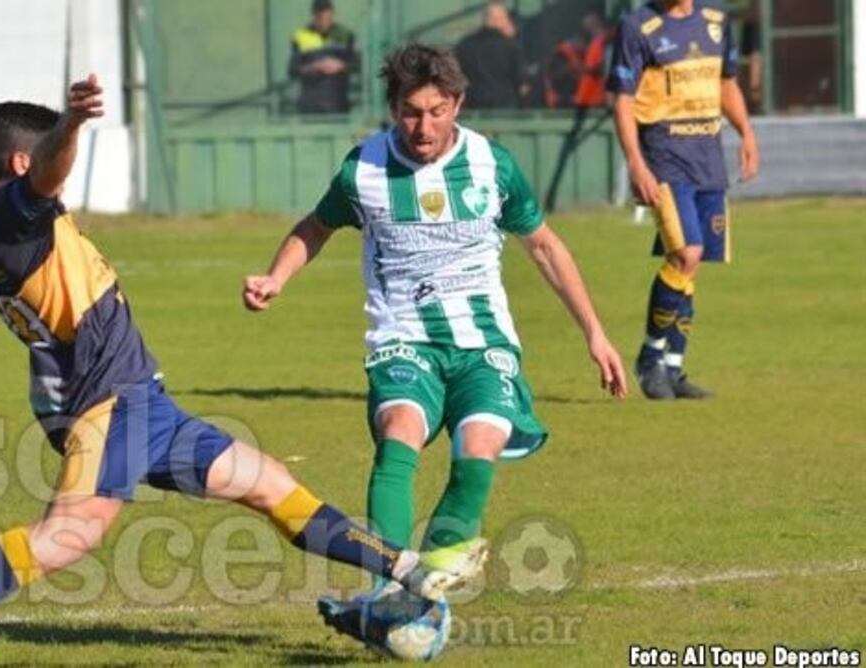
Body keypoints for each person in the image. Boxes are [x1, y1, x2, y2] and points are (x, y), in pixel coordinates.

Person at [0, 46, 475, 667]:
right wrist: (72, 124)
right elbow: (46, 172)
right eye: (39, 167)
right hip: (107, 401)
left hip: (141, 400)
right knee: (68, 536)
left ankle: (407, 571)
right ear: (18, 161)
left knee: (269, 485)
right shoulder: (14, 216)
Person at [244, 43, 626, 645]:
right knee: (400, 432)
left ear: (458, 104)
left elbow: (547, 248)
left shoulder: (492, 166)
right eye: (411, 112)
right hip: (404, 339)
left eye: (437, 110)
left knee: (480, 446)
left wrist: (595, 334)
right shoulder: (364, 171)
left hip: (483, 343)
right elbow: (313, 227)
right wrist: (276, 276)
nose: (424, 127)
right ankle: (390, 587)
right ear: (393, 108)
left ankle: (431, 585)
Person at [607, 0, 759, 399]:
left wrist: (746, 133)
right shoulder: (637, 26)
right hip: (664, 155)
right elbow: (622, 100)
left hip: (707, 158)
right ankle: (649, 356)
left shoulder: (715, 21)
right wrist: (636, 163)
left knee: (692, 265)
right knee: (686, 254)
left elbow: (727, 82)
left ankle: (673, 369)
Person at [289, 0, 359, 114]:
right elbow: (293, 70)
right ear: (314, 16)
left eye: (328, 18)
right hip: (310, 107)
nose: (324, 23)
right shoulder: (300, 36)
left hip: (338, 104)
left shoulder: (346, 35)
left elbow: (357, 65)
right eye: (320, 19)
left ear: (333, 15)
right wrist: (315, 67)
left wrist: (340, 66)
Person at [453, 1, 525, 109]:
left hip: (473, 107)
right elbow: (521, 82)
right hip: (505, 108)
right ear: (500, 20)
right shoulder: (511, 47)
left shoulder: (464, 45)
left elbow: (456, 77)